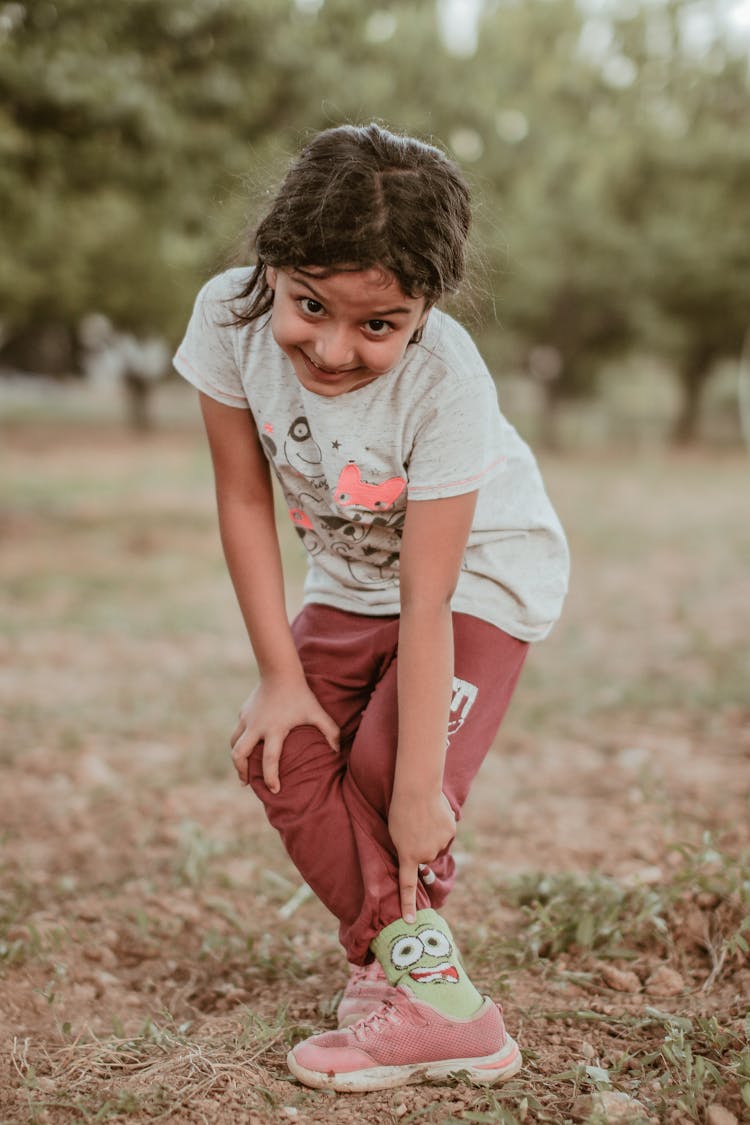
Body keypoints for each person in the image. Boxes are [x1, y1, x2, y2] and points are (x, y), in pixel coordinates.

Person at [173, 122, 569, 1093]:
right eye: (310, 305)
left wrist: (419, 790)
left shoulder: (449, 383)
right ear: (271, 266)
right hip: (348, 582)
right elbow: (240, 497)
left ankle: (433, 1005)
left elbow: (428, 601)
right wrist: (277, 677)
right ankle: (411, 975)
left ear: (426, 311)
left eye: (379, 324)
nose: (335, 348)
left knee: (397, 768)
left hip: (477, 581)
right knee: (280, 748)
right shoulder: (227, 318)